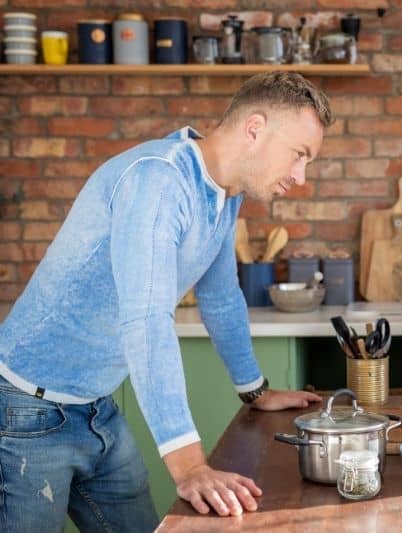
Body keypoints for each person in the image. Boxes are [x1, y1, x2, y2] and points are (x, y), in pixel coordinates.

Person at [0, 72, 332, 531]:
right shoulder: (159, 179)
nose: (300, 176)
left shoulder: (224, 194)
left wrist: (253, 389)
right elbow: (147, 320)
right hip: (23, 412)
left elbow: (219, 296)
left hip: (95, 407)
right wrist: (191, 466)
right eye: (300, 155)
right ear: (255, 128)